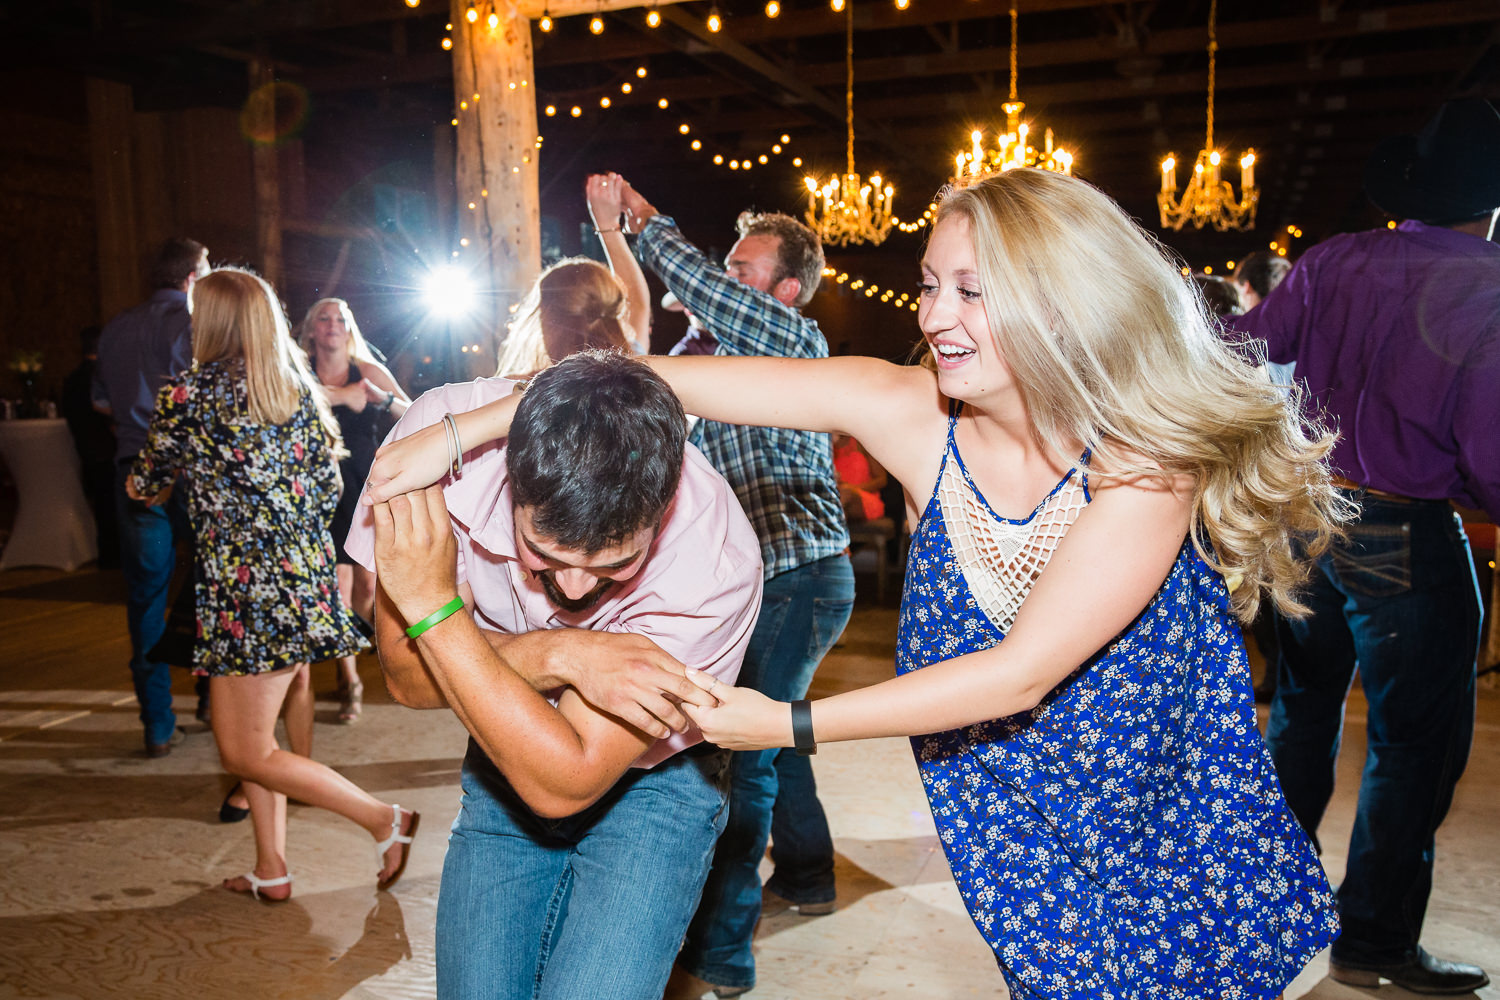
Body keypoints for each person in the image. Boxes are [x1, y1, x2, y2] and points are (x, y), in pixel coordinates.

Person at [366, 167, 1349, 999]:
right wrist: (461, 429)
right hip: (1026, 813)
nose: (932, 315)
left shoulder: (1142, 463)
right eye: (930, 285)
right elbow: (647, 375)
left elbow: (1016, 674)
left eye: (971, 291)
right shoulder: (910, 411)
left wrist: (784, 722)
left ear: (1063, 300)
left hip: (1168, 815)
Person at [344, 350, 763, 1000]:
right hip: (499, 770)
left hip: (658, 788)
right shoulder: (436, 445)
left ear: (665, 505)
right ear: (511, 480)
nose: (573, 589)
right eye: (543, 551)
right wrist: (557, 654)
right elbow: (404, 676)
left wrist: (436, 608)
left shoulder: (715, 558)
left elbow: (565, 781)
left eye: (617, 565)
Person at [1228, 97, 1500, 994]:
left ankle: (1267, 910)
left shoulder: (1335, 257)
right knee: (1413, 743)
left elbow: (1242, 352)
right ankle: (1375, 942)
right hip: (1405, 528)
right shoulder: (1488, 280)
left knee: (1299, 715)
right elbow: (1490, 452)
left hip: (1302, 517)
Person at [595, 178, 854, 995]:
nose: (722, 282)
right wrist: (613, 244)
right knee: (772, 735)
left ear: (781, 291)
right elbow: (630, 348)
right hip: (768, 582)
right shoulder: (703, 362)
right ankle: (809, 872)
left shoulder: (795, 339)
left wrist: (645, 219)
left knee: (741, 757)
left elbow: (697, 286)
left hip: (798, 575)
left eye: (742, 271)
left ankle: (720, 959)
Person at [129, 267, 418, 902]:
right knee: (257, 741)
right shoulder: (298, 392)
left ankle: (383, 820)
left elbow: (145, 483)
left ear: (215, 323)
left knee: (244, 752)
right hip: (304, 582)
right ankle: (272, 868)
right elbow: (331, 487)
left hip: (241, 595)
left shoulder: (188, 395)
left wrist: (173, 490)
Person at [93, 236, 210, 756]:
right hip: (189, 471)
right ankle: (214, 698)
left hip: (133, 471)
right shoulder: (191, 323)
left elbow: (101, 401)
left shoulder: (116, 327)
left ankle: (157, 724)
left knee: (146, 599)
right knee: (212, 586)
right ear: (190, 278)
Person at [298, 297, 411, 724]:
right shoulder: (298, 370)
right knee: (336, 588)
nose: (332, 325)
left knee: (367, 587)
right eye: (323, 318)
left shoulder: (367, 371)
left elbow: (413, 411)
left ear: (350, 328)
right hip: (319, 488)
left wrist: (378, 400)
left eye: (340, 318)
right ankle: (350, 678)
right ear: (310, 329)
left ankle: (349, 652)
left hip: (363, 486)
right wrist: (340, 396)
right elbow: (284, 401)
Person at [493, 174, 650, 377]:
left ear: (545, 320)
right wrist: (608, 223)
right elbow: (638, 303)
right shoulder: (637, 371)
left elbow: (638, 304)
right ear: (614, 307)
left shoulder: (519, 389)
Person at [62, 325, 118, 568]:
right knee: (112, 509)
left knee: (102, 508)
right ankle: (113, 559)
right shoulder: (102, 377)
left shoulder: (72, 379)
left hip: (86, 451)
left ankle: (107, 557)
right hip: (108, 451)